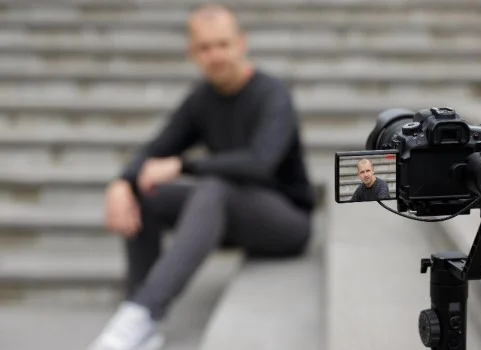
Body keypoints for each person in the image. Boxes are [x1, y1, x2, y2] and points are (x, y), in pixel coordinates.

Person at [88, 4, 315, 350]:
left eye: (223, 44)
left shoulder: (272, 94)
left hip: (287, 222)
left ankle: (144, 310)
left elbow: (259, 163)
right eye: (205, 48)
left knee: (213, 185)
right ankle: (139, 317)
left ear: (241, 43)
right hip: (228, 214)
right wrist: (122, 182)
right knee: (145, 193)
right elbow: (155, 148)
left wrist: (183, 166)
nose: (216, 55)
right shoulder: (202, 100)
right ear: (192, 53)